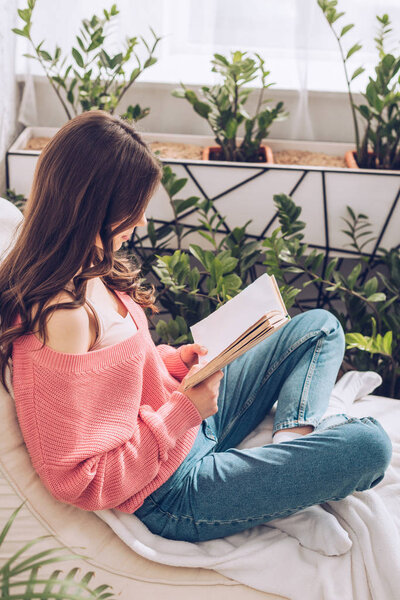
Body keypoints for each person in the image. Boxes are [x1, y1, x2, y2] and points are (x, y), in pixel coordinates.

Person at [0, 111, 392, 556]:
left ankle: (286, 460)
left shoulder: (87, 267)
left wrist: (173, 361)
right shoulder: (61, 316)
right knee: (371, 445)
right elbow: (80, 479)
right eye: (135, 206)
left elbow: (114, 378)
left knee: (318, 327)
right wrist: (183, 412)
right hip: (172, 491)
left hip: (189, 422)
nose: (143, 220)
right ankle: (283, 484)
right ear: (95, 205)